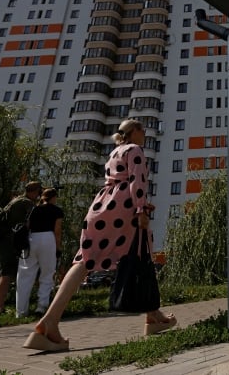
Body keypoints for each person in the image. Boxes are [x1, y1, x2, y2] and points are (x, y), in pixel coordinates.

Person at [23, 119, 176, 352]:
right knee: (141, 254)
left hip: (102, 205)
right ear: (133, 132)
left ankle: (153, 315)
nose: (145, 134)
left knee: (87, 259)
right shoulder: (134, 150)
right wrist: (141, 210)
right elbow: (138, 182)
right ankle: (49, 324)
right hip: (124, 207)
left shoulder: (115, 151)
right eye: (142, 130)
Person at [0, 181, 42, 314]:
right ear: (34, 191)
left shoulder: (16, 199)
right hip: (8, 242)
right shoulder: (27, 203)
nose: (39, 195)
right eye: (39, 192)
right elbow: (33, 222)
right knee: (6, 274)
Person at [15, 187, 64, 318]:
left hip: (31, 239)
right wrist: (58, 248)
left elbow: (27, 225)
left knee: (25, 275)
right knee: (47, 273)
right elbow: (57, 231)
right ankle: (41, 307)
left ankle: (20, 311)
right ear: (53, 197)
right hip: (48, 239)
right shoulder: (57, 210)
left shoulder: (34, 209)